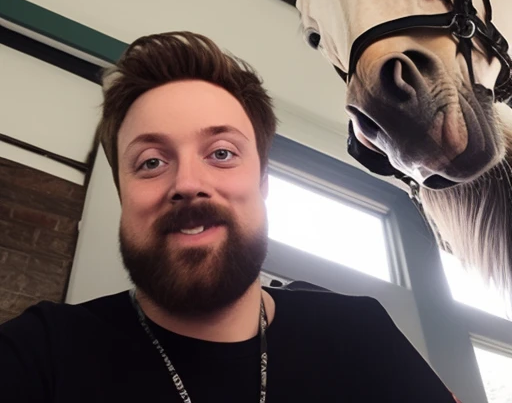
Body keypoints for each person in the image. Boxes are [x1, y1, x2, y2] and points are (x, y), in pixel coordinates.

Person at [0, 31, 460, 402]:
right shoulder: (41, 353)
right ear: (124, 197)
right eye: (151, 162)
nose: (187, 182)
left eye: (221, 152)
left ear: (262, 185)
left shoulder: (360, 334)